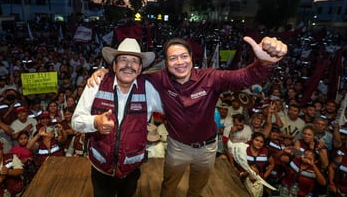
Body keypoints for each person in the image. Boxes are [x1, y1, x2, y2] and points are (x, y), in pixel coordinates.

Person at [89, 36, 287, 197]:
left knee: (196, 190)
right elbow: (129, 72)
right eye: (173, 58)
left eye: (183, 56)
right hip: (177, 147)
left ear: (192, 58)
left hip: (207, 148)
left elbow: (244, 77)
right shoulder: (159, 78)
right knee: (168, 187)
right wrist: (106, 73)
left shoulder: (211, 78)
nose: (179, 62)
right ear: (165, 63)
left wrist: (264, 63)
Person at [72, 38, 163, 197]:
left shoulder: (148, 88)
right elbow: (76, 121)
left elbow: (175, 106)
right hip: (101, 169)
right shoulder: (97, 82)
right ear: (114, 66)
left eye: (134, 61)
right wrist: (95, 121)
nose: (128, 65)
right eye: (123, 60)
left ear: (140, 68)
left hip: (131, 169)